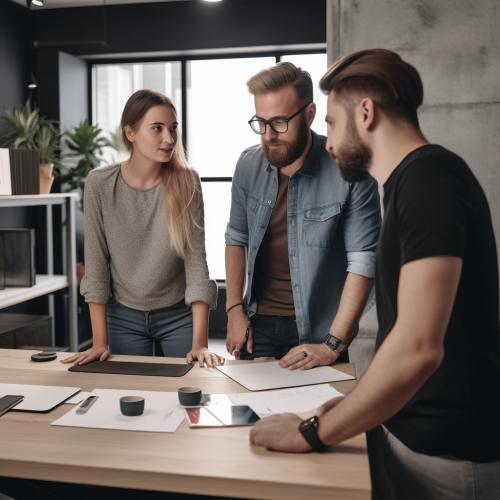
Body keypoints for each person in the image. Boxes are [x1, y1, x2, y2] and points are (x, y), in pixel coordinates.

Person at [249, 49, 500, 499]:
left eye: (329, 123)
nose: (326, 141)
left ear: (365, 113)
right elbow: (405, 335)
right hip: (415, 438)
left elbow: (417, 348)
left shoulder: (431, 181)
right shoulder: (409, 184)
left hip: (450, 457)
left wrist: (311, 432)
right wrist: (351, 406)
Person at [225, 62, 381, 369]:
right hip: (258, 325)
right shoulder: (247, 165)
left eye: (280, 121)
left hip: (321, 330)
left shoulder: (350, 171)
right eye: (261, 122)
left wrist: (333, 344)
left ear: (309, 115)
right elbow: (236, 239)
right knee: (253, 416)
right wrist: (233, 309)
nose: (269, 135)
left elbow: (364, 262)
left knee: (319, 417)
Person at [62, 89, 224, 370]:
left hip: (178, 313)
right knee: (129, 397)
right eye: (157, 129)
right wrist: (100, 341)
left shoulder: (187, 182)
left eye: (173, 128)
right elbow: (97, 266)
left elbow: (196, 263)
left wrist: (200, 344)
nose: (169, 138)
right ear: (131, 133)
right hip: (122, 314)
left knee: (190, 391)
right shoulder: (99, 183)